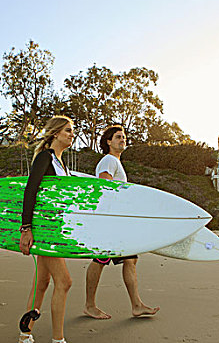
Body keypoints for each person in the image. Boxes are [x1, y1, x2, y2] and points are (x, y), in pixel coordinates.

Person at [83, 125, 160, 320]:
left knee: (130, 259)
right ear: (108, 141)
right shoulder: (108, 160)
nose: (122, 140)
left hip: (116, 221)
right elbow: (105, 189)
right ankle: (90, 305)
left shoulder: (116, 162)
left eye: (124, 137)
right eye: (118, 137)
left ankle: (136, 305)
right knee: (100, 260)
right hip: (110, 222)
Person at [18, 116, 75, 343]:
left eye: (72, 131)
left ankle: (25, 333)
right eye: (68, 131)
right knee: (65, 281)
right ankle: (58, 340)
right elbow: (30, 191)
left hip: (56, 229)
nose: (72, 134)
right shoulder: (45, 158)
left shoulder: (62, 164)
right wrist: (26, 229)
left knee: (42, 282)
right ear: (55, 134)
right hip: (44, 230)